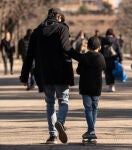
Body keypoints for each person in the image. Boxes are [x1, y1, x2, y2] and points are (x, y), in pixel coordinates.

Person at [20, 8, 80, 144]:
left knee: (50, 104)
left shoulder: (37, 31)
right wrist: (83, 58)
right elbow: (67, 48)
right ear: (58, 17)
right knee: (63, 100)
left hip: (44, 73)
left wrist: (24, 76)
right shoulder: (62, 29)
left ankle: (53, 135)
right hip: (61, 72)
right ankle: (60, 122)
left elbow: (29, 56)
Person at [76, 36, 106, 139]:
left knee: (88, 109)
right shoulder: (101, 57)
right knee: (94, 108)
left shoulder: (84, 57)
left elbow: (78, 71)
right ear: (99, 46)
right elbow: (104, 67)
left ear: (88, 46)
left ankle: (91, 131)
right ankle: (91, 130)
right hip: (97, 87)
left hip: (85, 87)